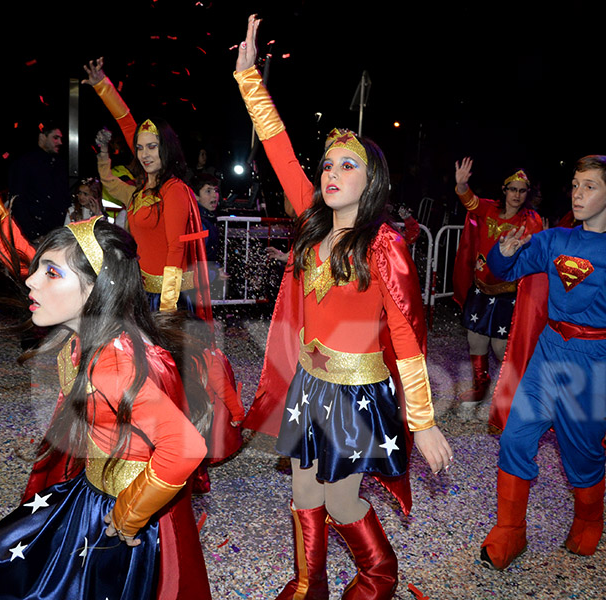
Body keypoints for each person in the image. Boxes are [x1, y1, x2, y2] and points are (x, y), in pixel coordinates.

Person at [0, 84, 212, 600]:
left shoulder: (116, 360)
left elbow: (185, 447)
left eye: (51, 273)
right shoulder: (78, 325)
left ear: (95, 289)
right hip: (83, 493)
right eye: (40, 270)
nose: (32, 282)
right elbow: (6, 244)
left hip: (112, 519)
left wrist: (126, 519)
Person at [234, 15, 453, 599]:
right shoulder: (311, 226)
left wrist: (423, 422)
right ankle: (310, 583)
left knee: (341, 497)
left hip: (359, 396)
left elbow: (404, 333)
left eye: (347, 165)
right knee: (303, 491)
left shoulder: (385, 244)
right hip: (310, 383)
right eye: (328, 164)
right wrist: (249, 79)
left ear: (372, 180)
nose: (331, 173)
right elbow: (281, 153)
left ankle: (378, 576)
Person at [479, 154, 606, 570]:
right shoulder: (555, 239)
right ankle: (510, 532)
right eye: (575, 185)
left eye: (589, 187)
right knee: (515, 439)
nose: (578, 194)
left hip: (594, 364)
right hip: (548, 352)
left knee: (581, 456)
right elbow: (509, 268)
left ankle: (589, 519)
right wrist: (502, 252)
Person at [80, 58, 211, 320]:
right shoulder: (140, 191)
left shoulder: (174, 190)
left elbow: (176, 248)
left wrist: (168, 305)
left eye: (152, 147)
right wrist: (102, 87)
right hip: (143, 291)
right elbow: (127, 122)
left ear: (165, 149)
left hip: (166, 297)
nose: (144, 154)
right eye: (139, 147)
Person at [450, 159, 543, 414]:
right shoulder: (488, 209)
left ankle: (511, 393)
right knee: (475, 340)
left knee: (502, 347)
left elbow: (533, 254)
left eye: (522, 191)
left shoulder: (531, 220)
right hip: (481, 288)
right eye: (512, 189)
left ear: (528, 194)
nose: (516, 195)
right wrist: (461, 184)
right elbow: (469, 201)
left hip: (508, 293)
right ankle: (481, 386)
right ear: (504, 190)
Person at [8, 121, 71, 242]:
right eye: (55, 138)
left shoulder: (59, 164)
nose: (60, 142)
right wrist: (34, 234)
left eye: (61, 138)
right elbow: (17, 200)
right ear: (42, 137)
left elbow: (62, 198)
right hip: (33, 236)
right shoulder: (25, 163)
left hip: (54, 234)